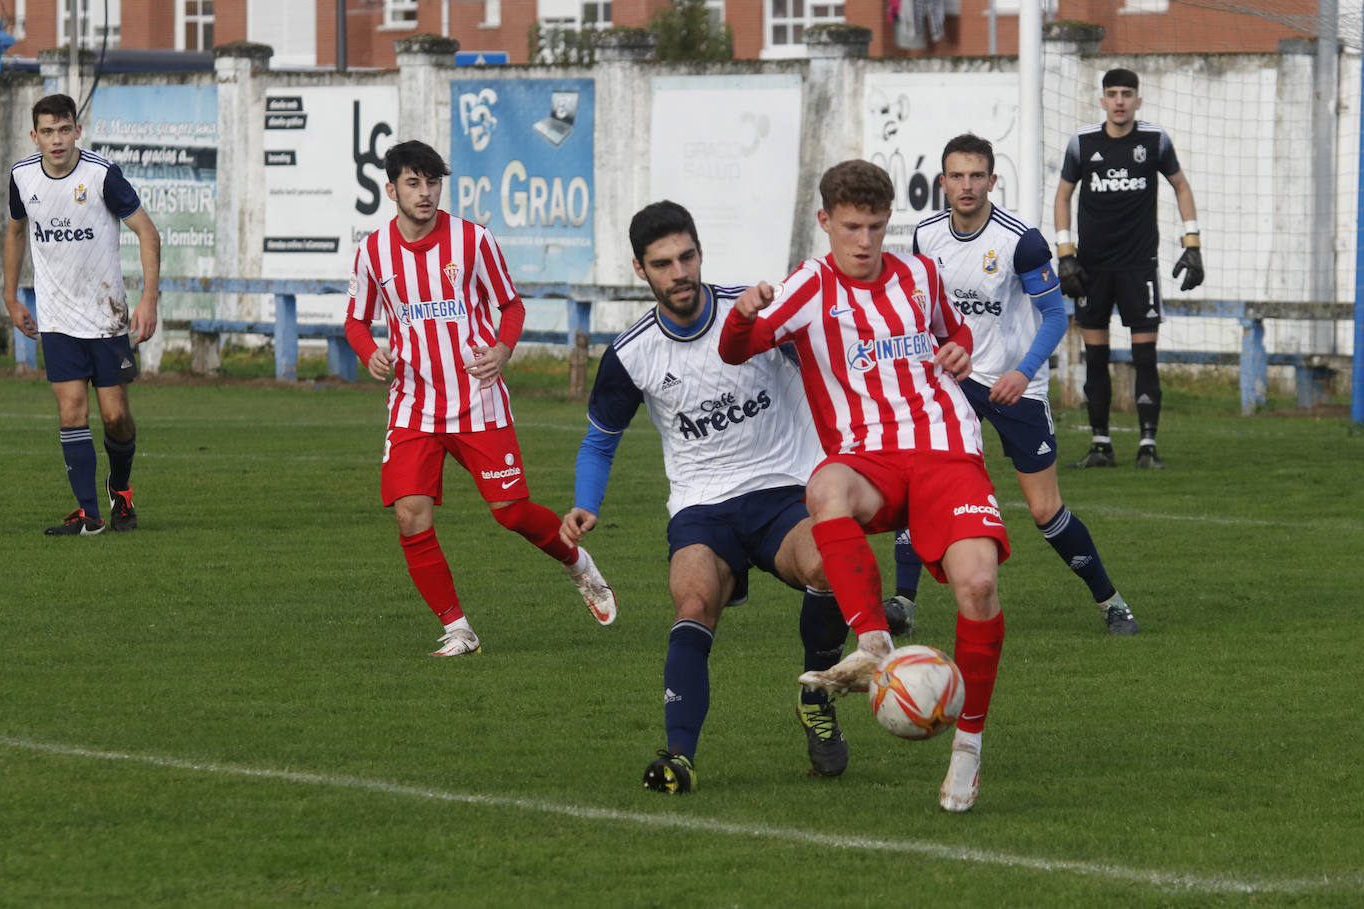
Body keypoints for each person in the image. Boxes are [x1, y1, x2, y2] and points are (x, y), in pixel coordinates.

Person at [719, 159, 1010, 813]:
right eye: (851, 226)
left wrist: (961, 348)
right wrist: (741, 317)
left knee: (979, 586)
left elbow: (951, 331)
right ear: (825, 222)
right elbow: (738, 350)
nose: (865, 240)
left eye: (877, 226)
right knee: (825, 488)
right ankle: (875, 640)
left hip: (946, 451)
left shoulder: (918, 274)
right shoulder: (806, 288)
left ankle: (967, 747)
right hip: (867, 456)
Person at [560, 200, 852, 794]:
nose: (679, 272)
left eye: (687, 256)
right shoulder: (631, 352)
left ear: (700, 251)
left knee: (830, 566)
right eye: (663, 263)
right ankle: (679, 758)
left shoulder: (757, 313)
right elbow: (599, 441)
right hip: (701, 508)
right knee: (692, 603)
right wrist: (586, 501)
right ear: (641, 271)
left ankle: (817, 693)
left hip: (782, 492)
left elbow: (835, 357)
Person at [343, 140, 616, 657]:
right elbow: (356, 320)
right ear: (391, 189)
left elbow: (510, 305)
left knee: (510, 513)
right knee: (409, 515)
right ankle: (458, 629)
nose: (425, 193)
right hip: (413, 404)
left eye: (432, 182)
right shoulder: (372, 252)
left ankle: (580, 567)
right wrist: (369, 353)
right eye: (413, 183)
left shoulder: (472, 240)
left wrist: (502, 348)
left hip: (477, 398)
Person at [887, 133, 1138, 637]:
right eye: (957, 176)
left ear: (992, 181)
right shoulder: (926, 236)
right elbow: (924, 309)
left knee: (1045, 510)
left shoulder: (1020, 241)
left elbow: (1053, 315)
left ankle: (1111, 602)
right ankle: (902, 602)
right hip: (954, 382)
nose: (967, 185)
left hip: (1015, 383)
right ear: (942, 182)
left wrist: (1021, 372)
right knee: (920, 484)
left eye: (977, 175)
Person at [2, 93, 160, 535]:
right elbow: (15, 233)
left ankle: (121, 489)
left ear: (78, 130)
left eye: (64, 129)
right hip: (55, 320)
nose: (57, 140)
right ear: (34, 135)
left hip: (107, 318)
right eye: (47, 132)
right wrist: (11, 296)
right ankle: (89, 515)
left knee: (115, 417)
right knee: (71, 411)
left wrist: (148, 299)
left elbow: (148, 233)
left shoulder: (102, 175)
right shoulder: (22, 177)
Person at [1054, 67, 1204, 470]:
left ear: (1138, 100)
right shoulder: (1082, 143)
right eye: (1112, 94)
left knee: (1144, 357)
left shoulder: (1154, 141)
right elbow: (1063, 194)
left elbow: (1181, 186)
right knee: (1096, 357)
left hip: (1139, 266)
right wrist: (1065, 251)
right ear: (1102, 100)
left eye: (1127, 94)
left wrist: (1192, 242)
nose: (1119, 101)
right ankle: (1100, 445)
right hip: (1093, 268)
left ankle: (1147, 447)